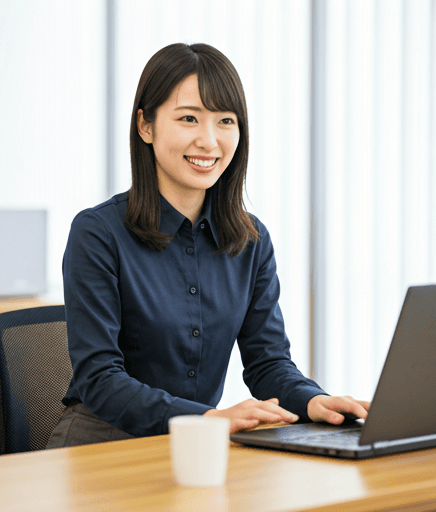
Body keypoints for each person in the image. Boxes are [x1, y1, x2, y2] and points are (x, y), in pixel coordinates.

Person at [46, 42, 369, 449]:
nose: (209, 141)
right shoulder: (98, 233)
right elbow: (99, 379)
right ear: (146, 126)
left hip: (197, 449)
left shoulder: (250, 241)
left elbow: (267, 363)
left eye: (225, 121)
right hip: (102, 447)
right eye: (188, 118)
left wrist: (315, 400)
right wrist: (208, 418)